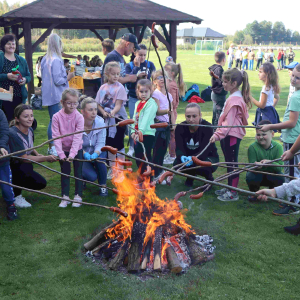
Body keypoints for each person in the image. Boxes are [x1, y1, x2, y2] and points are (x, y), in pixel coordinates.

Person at [259, 64, 300, 215]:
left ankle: (293, 204)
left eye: (298, 78)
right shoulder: (297, 94)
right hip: (295, 137)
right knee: (293, 171)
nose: (293, 79)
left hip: (293, 139)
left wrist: (271, 127)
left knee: (291, 173)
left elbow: (292, 123)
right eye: (293, 75)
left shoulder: (296, 97)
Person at [209, 68, 251, 201]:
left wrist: (217, 135)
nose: (223, 84)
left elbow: (228, 123)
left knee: (232, 163)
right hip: (227, 134)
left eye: (225, 82)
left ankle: (233, 192)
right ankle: (229, 188)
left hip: (231, 135)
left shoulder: (234, 100)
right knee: (229, 162)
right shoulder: (233, 97)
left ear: (234, 84)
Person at [8, 104, 56, 208]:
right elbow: (24, 158)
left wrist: (37, 154)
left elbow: (28, 146)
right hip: (10, 166)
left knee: (40, 183)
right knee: (25, 166)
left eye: (31, 115)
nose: (30, 119)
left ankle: (11, 187)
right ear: (17, 119)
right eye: (26, 116)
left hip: (21, 165)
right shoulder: (13, 134)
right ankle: (15, 195)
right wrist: (45, 158)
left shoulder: (30, 130)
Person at [41, 33, 75, 157]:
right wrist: (68, 77)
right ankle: (53, 147)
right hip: (56, 94)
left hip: (50, 93)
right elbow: (58, 80)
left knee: (54, 120)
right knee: (54, 121)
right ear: (58, 44)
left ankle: (56, 145)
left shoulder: (46, 58)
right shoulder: (55, 59)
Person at [52, 89, 84, 208]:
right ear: (62, 102)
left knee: (78, 173)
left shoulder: (79, 117)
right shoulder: (56, 117)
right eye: (69, 103)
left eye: (75, 103)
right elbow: (56, 136)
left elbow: (77, 137)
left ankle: (78, 195)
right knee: (65, 173)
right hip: (63, 150)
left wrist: (72, 154)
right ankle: (65, 196)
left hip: (77, 149)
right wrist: (61, 154)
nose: (72, 106)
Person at [95, 62, 128, 179]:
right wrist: (103, 112)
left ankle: (121, 170)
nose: (116, 76)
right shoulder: (102, 87)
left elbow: (119, 104)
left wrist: (113, 113)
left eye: (118, 74)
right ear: (106, 74)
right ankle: (113, 169)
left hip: (118, 121)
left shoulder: (120, 87)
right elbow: (98, 104)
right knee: (109, 145)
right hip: (107, 121)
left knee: (119, 145)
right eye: (113, 74)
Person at [174, 103, 219, 188]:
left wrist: (193, 158)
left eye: (194, 116)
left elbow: (205, 151)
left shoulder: (207, 127)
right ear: (185, 116)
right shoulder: (180, 127)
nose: (191, 119)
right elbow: (179, 148)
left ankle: (209, 179)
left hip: (208, 157)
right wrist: (181, 157)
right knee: (177, 164)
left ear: (200, 115)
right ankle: (190, 177)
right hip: (188, 157)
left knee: (202, 166)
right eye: (188, 116)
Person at [125, 44, 156, 156]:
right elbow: (128, 83)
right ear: (135, 53)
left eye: (144, 55)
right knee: (135, 120)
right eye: (140, 55)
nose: (142, 57)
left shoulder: (150, 64)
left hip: (147, 98)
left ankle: (147, 143)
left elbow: (154, 79)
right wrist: (137, 70)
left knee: (147, 119)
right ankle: (132, 146)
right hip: (134, 97)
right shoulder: (129, 65)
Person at [246, 120, 285, 202]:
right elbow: (250, 167)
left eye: (264, 134)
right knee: (250, 176)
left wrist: (269, 163)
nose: (260, 137)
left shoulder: (278, 147)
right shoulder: (252, 147)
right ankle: (254, 193)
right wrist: (256, 165)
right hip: (258, 175)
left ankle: (274, 192)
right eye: (258, 134)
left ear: (272, 134)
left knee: (281, 177)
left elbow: (279, 168)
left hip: (272, 175)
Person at [0, 34, 31, 123]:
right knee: (6, 121)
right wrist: (7, 76)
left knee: (18, 122)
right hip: (3, 96)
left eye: (13, 44)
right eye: (8, 44)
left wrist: (25, 80)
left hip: (18, 96)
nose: (11, 46)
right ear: (3, 45)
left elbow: (29, 76)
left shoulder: (21, 60)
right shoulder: (0, 57)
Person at [80, 97, 108, 196]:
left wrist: (96, 153)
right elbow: (76, 144)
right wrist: (84, 154)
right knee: (91, 177)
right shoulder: (76, 124)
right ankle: (83, 178)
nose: (94, 112)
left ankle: (103, 186)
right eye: (90, 110)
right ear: (82, 111)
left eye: (95, 109)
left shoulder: (100, 123)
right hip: (82, 153)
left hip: (98, 152)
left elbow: (101, 143)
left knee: (100, 159)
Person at [130, 79, 158, 176]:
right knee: (138, 155)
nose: (144, 94)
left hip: (147, 133)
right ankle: (143, 175)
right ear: (137, 92)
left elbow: (146, 118)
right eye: (141, 91)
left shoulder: (151, 103)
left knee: (145, 156)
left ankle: (148, 178)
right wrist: (132, 131)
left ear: (151, 91)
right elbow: (134, 117)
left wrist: (140, 131)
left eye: (146, 91)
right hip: (138, 133)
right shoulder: (137, 103)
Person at [152, 70, 174, 180]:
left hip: (166, 126)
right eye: (158, 77)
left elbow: (172, 111)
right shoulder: (155, 93)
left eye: (163, 76)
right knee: (158, 150)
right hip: (159, 126)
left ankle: (159, 170)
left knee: (164, 149)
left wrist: (173, 125)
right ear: (154, 82)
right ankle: (155, 173)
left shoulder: (169, 95)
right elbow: (157, 111)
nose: (161, 79)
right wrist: (167, 111)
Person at [163, 62, 186, 165]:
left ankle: (172, 156)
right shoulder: (171, 83)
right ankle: (171, 154)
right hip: (171, 112)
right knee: (170, 134)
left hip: (170, 113)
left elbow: (172, 101)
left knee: (171, 134)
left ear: (171, 73)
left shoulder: (171, 85)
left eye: (165, 70)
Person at [0, 109, 17, 220]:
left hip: (2, 157)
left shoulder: (0, 113)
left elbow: (4, 132)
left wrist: (1, 146)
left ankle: (11, 205)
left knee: (6, 185)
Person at [208, 51, 228, 128]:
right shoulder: (219, 69)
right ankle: (216, 131)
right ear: (223, 59)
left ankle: (214, 130)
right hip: (218, 94)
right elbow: (220, 81)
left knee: (216, 112)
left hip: (216, 93)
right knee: (218, 114)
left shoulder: (215, 68)